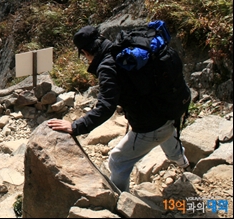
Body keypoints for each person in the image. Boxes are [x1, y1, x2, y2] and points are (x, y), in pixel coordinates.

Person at [47, 26, 189, 192]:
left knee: (117, 161)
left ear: (85, 52)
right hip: (174, 107)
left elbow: (106, 106)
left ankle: (122, 203)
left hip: (152, 124)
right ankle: (184, 164)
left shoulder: (107, 67)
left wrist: (75, 126)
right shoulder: (125, 51)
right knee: (168, 134)